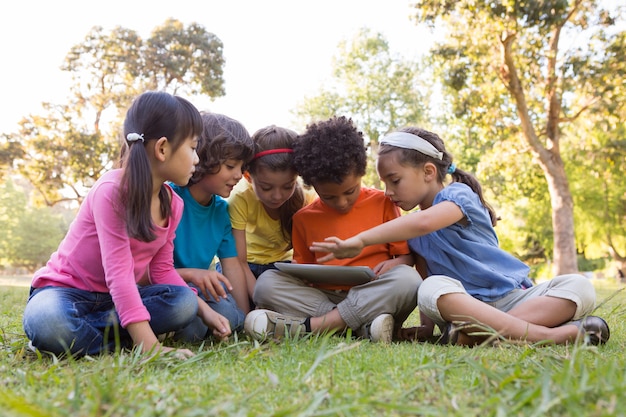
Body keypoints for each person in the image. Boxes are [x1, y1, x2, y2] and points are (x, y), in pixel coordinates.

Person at [310, 127, 610, 346]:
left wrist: (361, 240)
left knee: (579, 285)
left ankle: (487, 337)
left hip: (515, 299)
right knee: (430, 289)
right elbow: (427, 276)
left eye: (395, 180)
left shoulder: (457, 196)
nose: (388, 192)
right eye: (383, 183)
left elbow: (424, 223)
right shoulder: (413, 237)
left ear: (429, 171)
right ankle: (546, 335)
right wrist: (426, 329)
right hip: (464, 309)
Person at [22, 91, 231, 358]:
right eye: (192, 147)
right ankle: (120, 340)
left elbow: (162, 271)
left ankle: (79, 340)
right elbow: (119, 274)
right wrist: (151, 348)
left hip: (114, 304)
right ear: (163, 148)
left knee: (183, 304)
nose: (196, 158)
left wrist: (205, 310)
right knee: (49, 321)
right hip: (67, 294)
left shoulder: (171, 204)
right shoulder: (112, 190)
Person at [244, 116, 423, 343]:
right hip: (327, 297)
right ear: (312, 185)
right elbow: (304, 272)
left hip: (373, 291)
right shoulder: (303, 219)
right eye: (328, 196)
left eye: (350, 191)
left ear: (361, 174)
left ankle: (317, 326)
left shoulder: (384, 202)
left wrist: (395, 264)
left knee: (408, 279)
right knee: (266, 284)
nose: (341, 202)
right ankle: (363, 327)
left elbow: (406, 258)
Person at [170, 112, 254, 341]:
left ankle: (209, 324)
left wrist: (244, 318)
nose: (238, 175)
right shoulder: (168, 198)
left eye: (241, 167)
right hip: (168, 287)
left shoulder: (221, 211)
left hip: (202, 292)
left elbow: (232, 266)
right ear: (203, 159)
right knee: (187, 314)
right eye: (230, 166)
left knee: (230, 314)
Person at [228, 125, 316, 304]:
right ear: (248, 176)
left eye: (287, 186)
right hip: (247, 267)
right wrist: (261, 302)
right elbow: (239, 262)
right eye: (266, 187)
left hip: (282, 268)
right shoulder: (240, 197)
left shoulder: (306, 199)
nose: (277, 196)